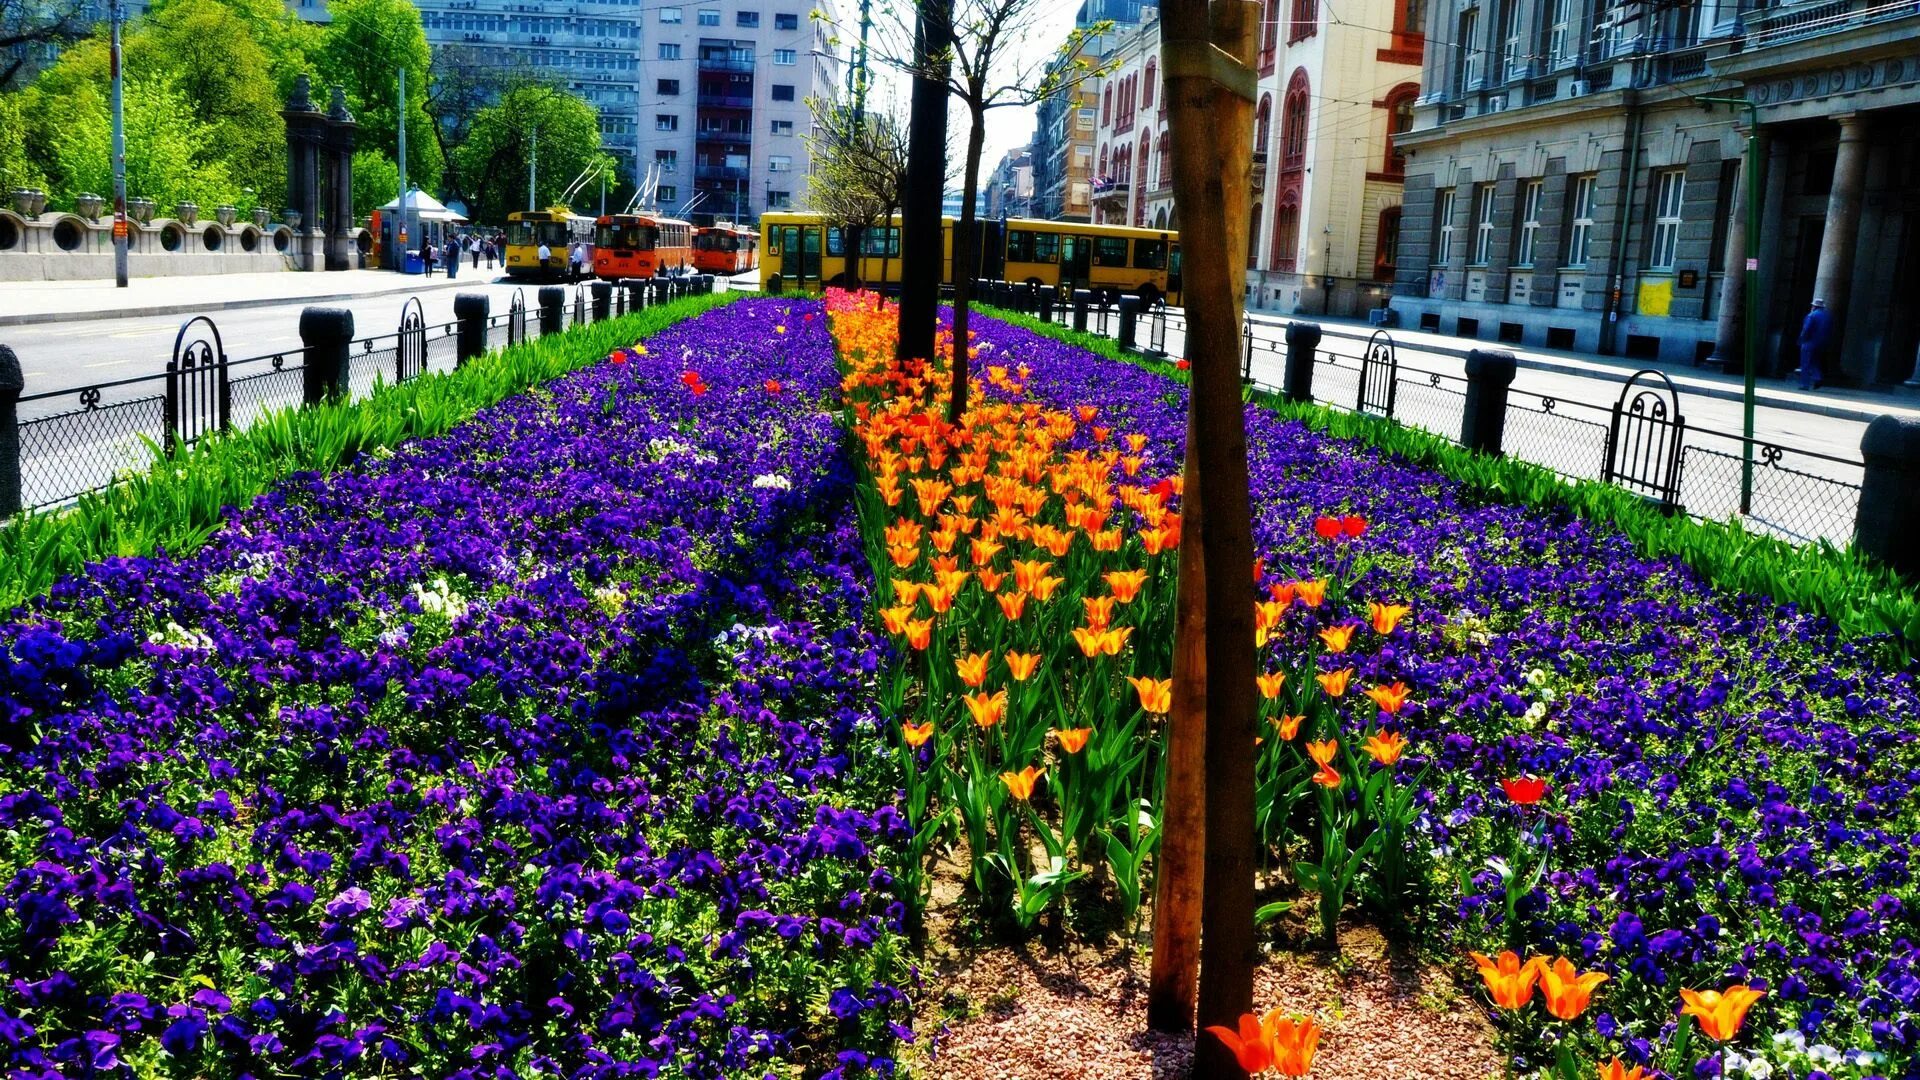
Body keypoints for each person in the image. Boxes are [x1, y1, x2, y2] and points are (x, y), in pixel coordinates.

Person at [1798, 297, 1832, 391]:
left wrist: (1802, 339)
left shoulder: (1811, 315)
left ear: (1814, 306)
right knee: (1814, 362)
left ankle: (1804, 384)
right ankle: (1818, 378)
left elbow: (1806, 329)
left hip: (1809, 342)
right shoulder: (1828, 316)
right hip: (1821, 343)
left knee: (1805, 363)